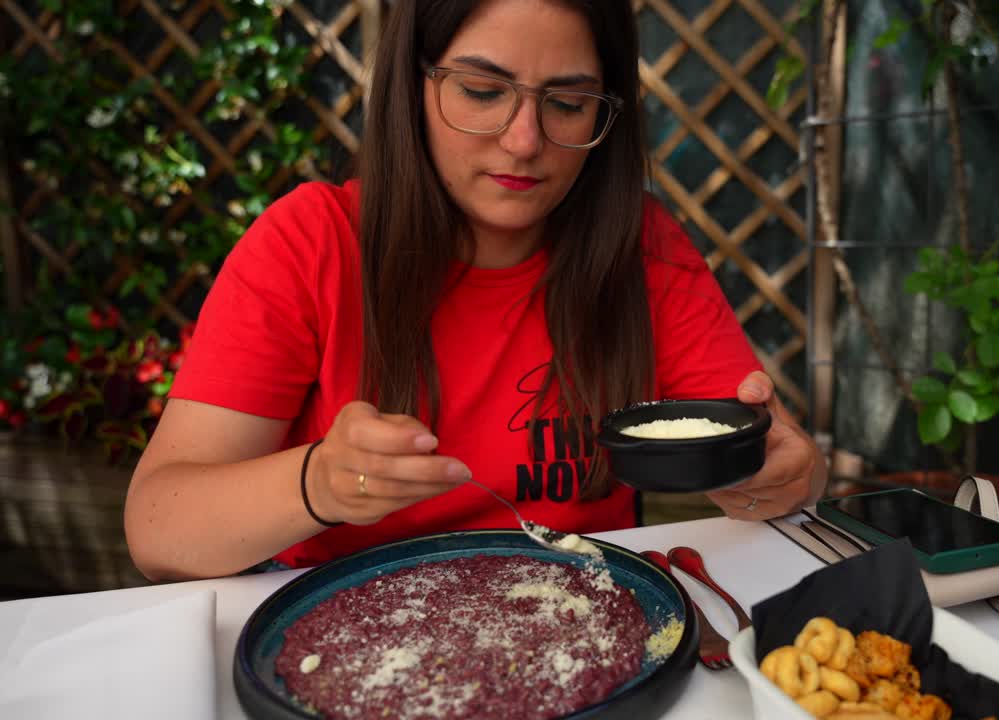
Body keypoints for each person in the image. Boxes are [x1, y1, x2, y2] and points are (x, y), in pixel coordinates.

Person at [123, 0, 826, 582]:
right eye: (482, 91)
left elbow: (770, 454)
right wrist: (318, 483)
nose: (524, 140)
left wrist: (787, 476)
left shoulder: (639, 249)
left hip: (583, 628)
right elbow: (159, 529)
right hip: (354, 640)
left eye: (570, 103)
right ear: (413, 84)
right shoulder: (311, 244)